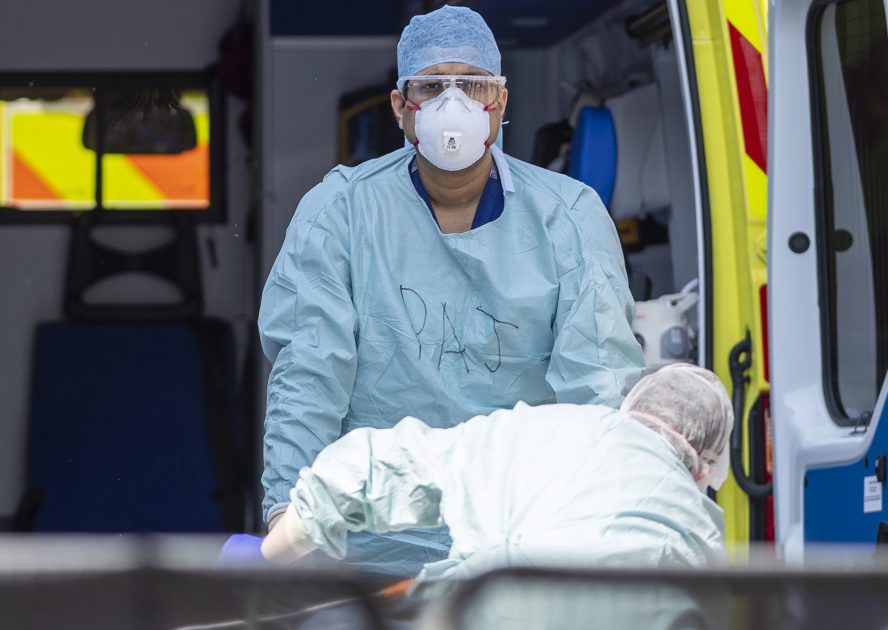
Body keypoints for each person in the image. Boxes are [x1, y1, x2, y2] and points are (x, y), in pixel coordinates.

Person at [256, 4, 645, 579]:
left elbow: (599, 389)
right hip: (370, 547)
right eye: (432, 87)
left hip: (517, 543)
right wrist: (288, 514)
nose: (452, 104)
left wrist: (608, 528)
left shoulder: (568, 217)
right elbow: (309, 374)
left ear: (500, 103)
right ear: (401, 108)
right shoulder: (341, 213)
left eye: (473, 86)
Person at [261, 364, 732, 590]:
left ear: (630, 408)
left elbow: (369, 470)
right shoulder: (702, 534)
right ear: (704, 469)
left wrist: (269, 557)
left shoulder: (542, 429)